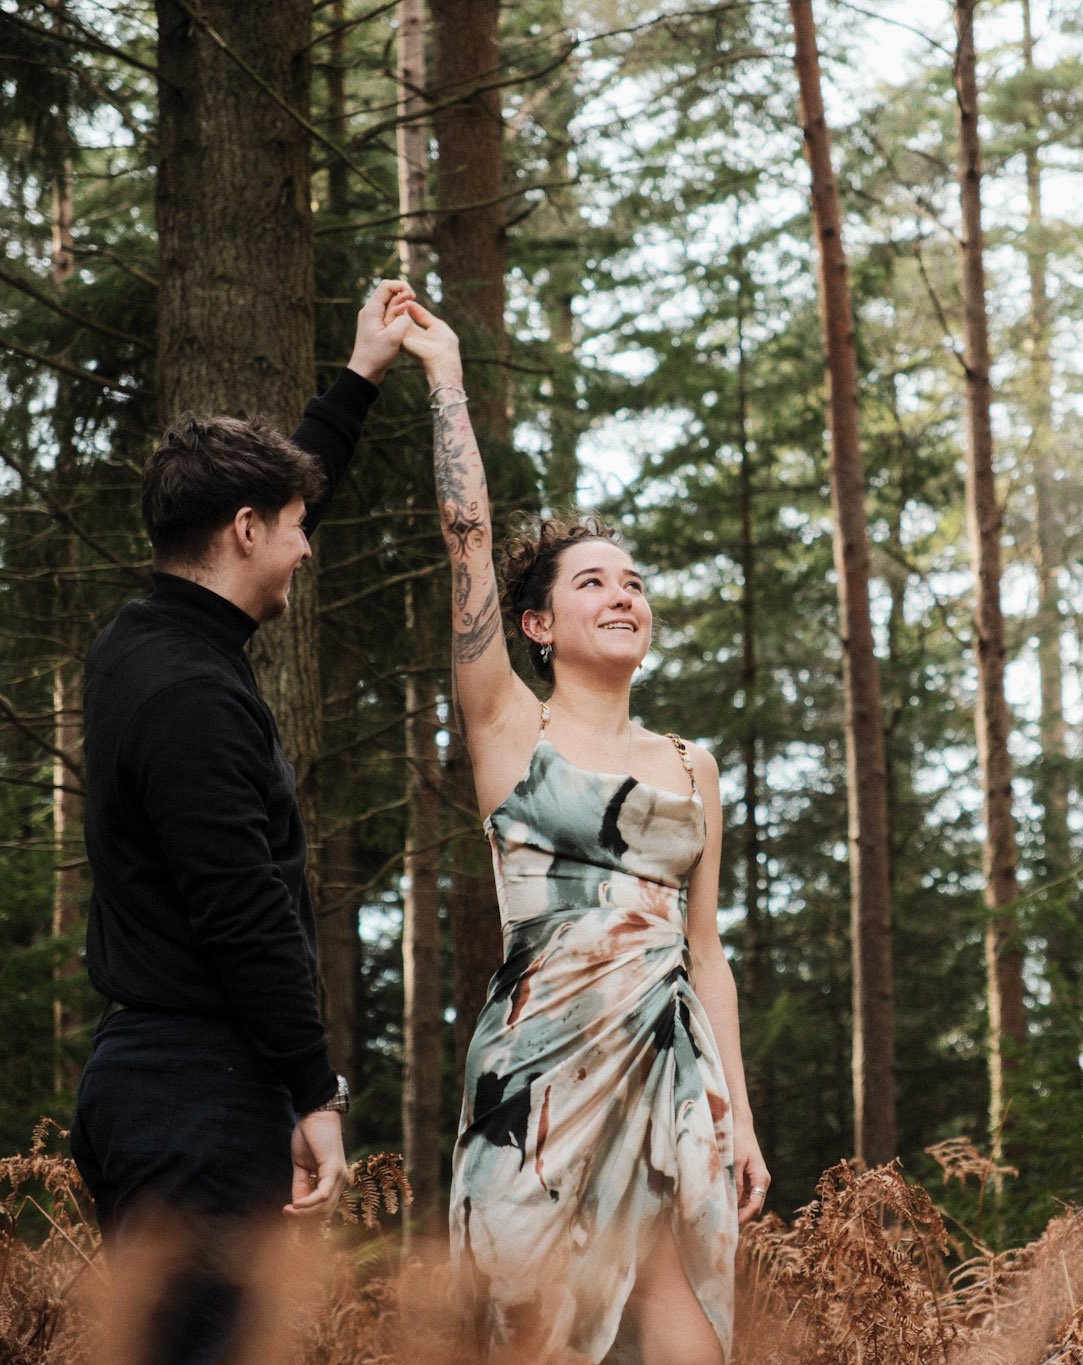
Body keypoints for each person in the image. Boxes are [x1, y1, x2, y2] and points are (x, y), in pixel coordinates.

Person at [388, 292, 770, 1365]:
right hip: (537, 1085)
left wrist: (736, 1113)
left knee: (686, 1340)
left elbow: (705, 952)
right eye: (592, 581)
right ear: (537, 625)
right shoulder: (510, 729)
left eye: (635, 584)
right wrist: (445, 377)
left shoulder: (692, 768)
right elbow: (466, 532)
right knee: (524, 1341)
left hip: (674, 1079)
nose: (624, 595)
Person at [68, 280, 418, 1365]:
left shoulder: (147, 640)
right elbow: (241, 908)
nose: (308, 551)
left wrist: (357, 379)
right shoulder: (193, 697)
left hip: (162, 1084)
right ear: (242, 528)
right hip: (198, 1098)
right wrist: (315, 1091)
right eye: (296, 530)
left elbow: (287, 494)